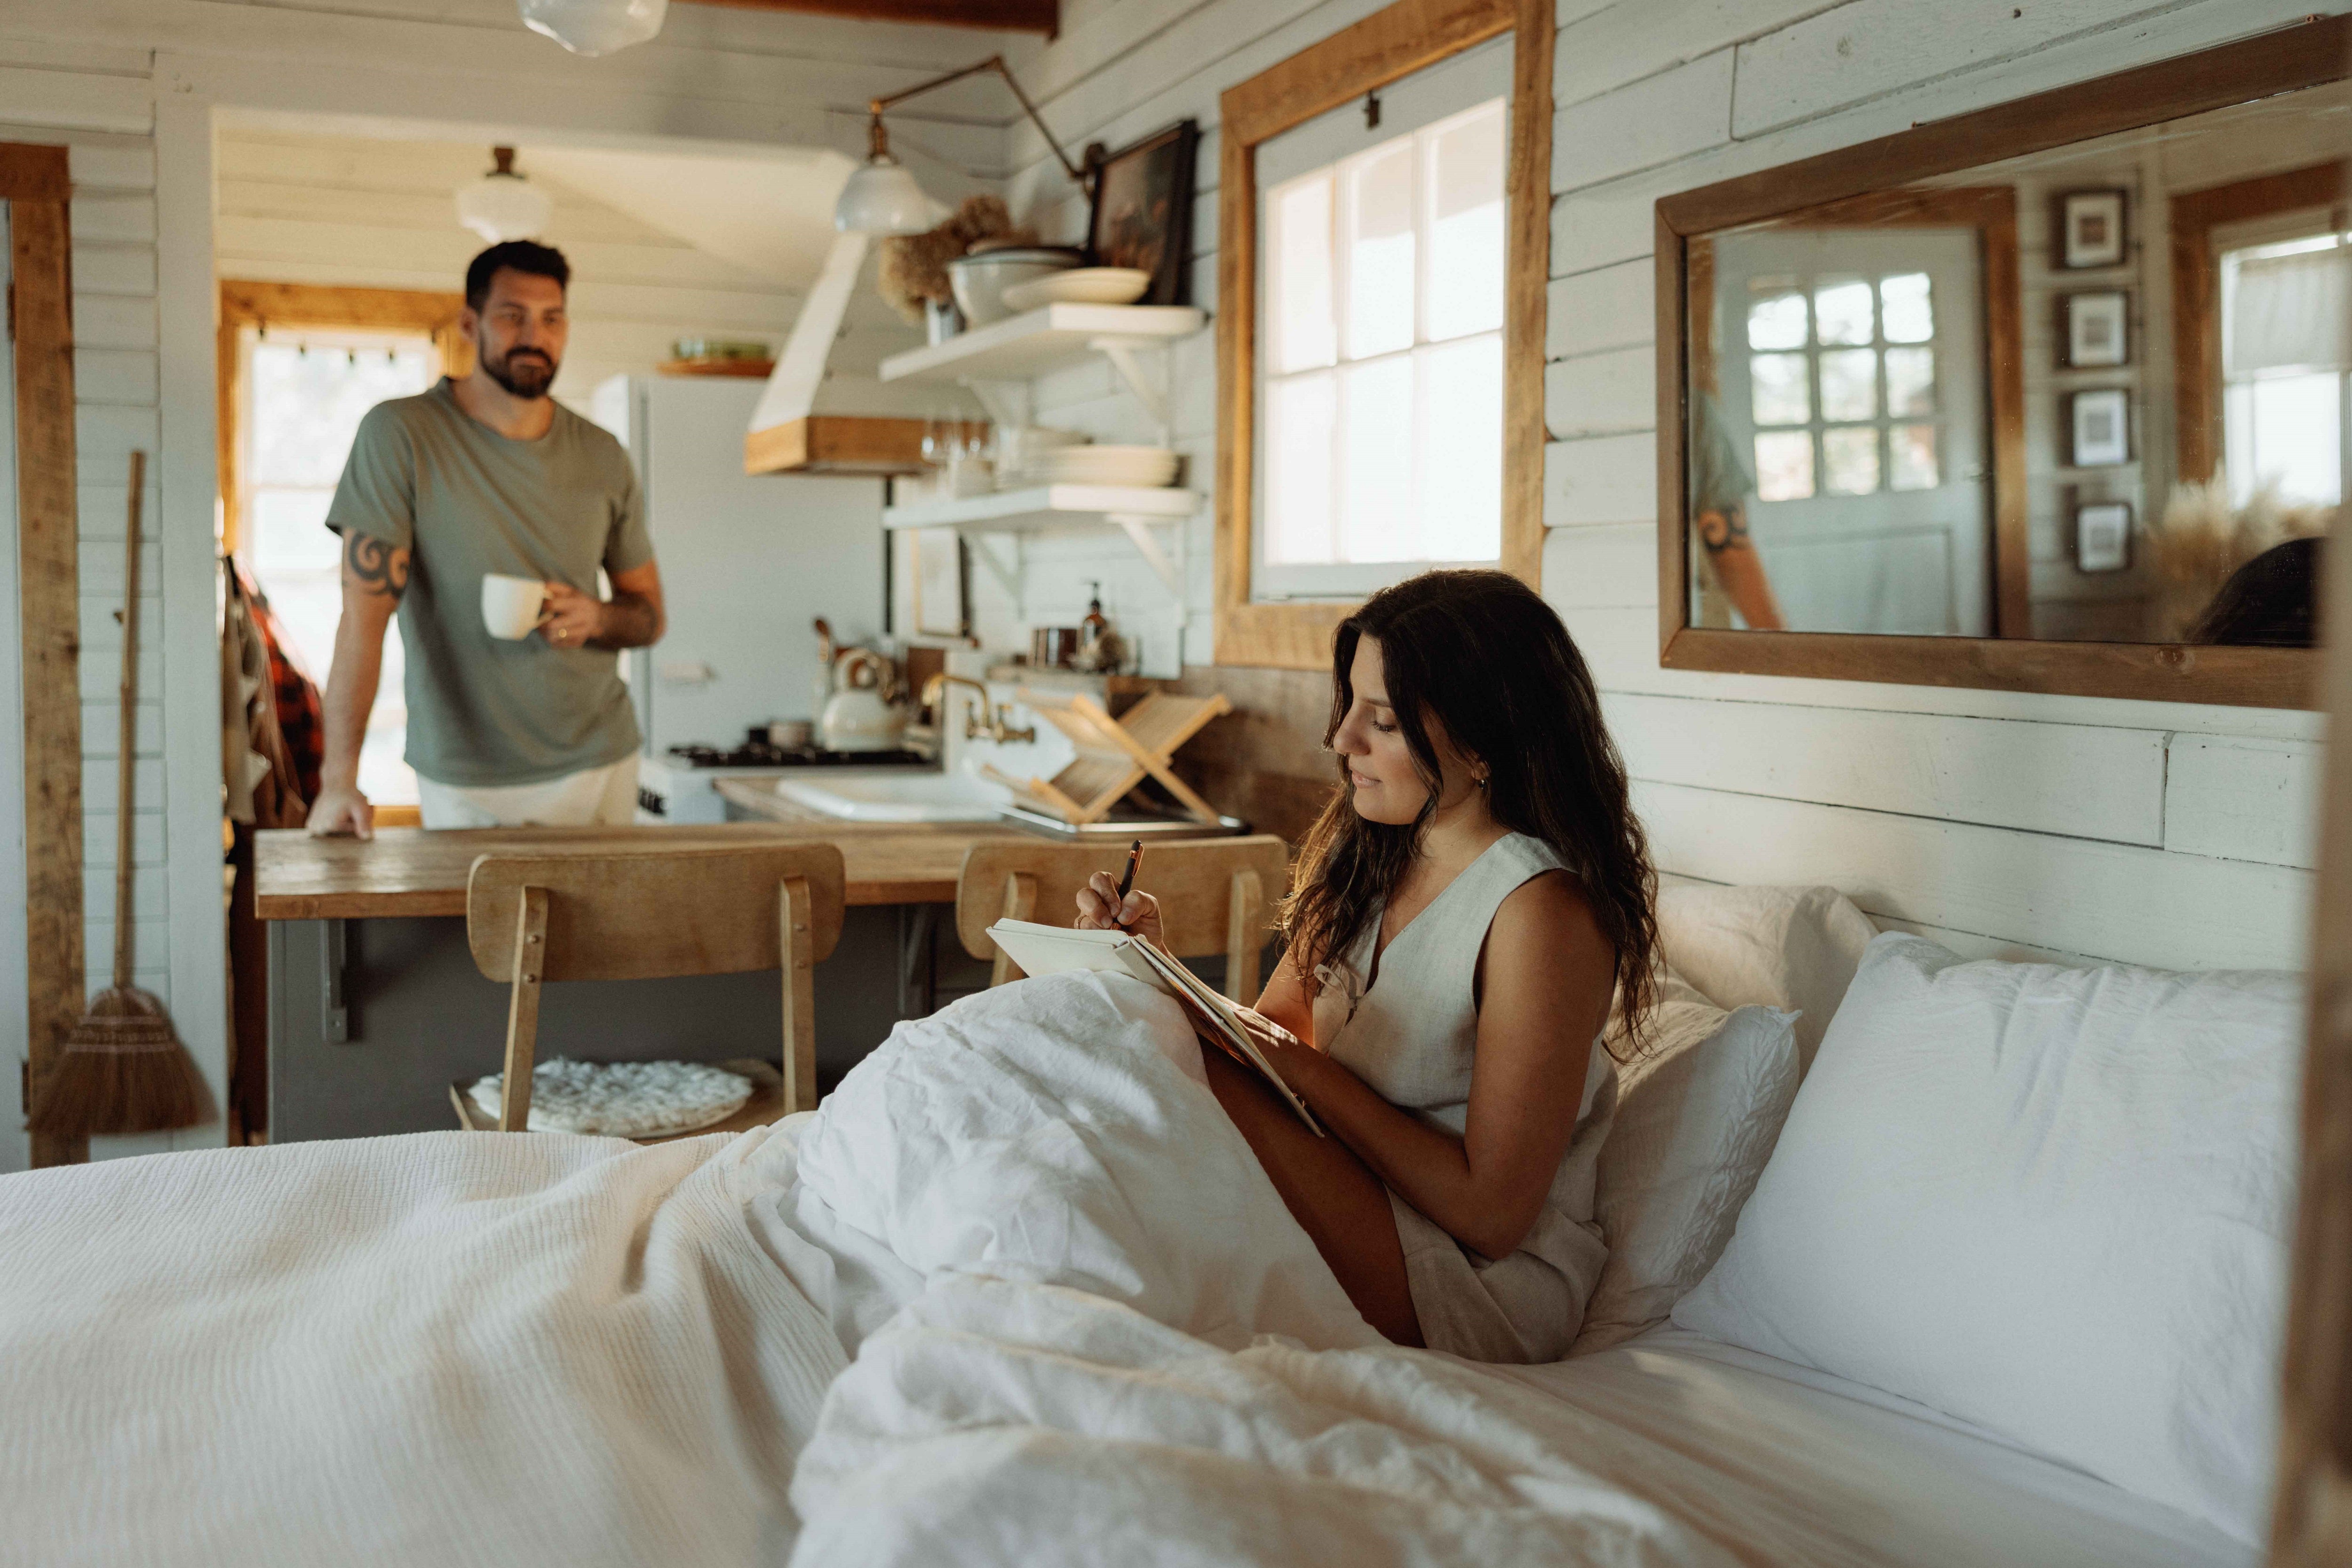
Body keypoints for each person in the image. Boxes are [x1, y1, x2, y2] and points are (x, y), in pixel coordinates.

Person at [1077, 570, 1658, 1361]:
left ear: (1482, 741)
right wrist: (1156, 966)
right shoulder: (1368, 848)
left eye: (1380, 719)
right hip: (1359, 1190)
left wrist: (1306, 1074)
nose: (1340, 738)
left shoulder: (1540, 911)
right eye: (1350, 705)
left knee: (1149, 1072)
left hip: (1478, 1272)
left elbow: (1492, 1210)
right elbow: (1278, 1038)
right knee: (1125, 1036)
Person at [306, 240, 665, 836]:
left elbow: (649, 615)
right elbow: (362, 621)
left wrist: (597, 618)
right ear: (470, 324)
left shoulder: (604, 455)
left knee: (612, 936)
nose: (535, 335)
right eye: (512, 315)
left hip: (602, 762)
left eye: (552, 318)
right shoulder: (400, 435)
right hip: (467, 779)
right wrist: (339, 780)